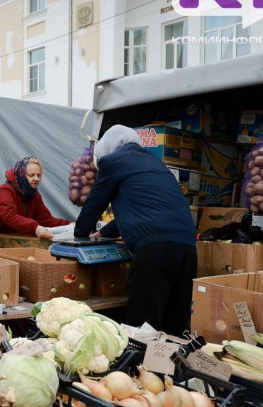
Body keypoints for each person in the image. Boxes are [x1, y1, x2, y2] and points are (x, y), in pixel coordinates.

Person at [74, 125, 197, 336]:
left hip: (155, 250)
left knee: (143, 325)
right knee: (173, 323)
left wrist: (80, 233)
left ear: (108, 146)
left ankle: (140, 367)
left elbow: (95, 202)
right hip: (187, 249)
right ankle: (168, 368)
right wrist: (105, 233)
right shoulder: (156, 163)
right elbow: (146, 207)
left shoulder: (113, 162)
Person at [0, 156, 71, 246]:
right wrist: (35, 228)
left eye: (38, 175)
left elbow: (45, 219)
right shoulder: (4, 191)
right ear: (21, 174)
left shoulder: (34, 195)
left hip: (12, 245)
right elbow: (10, 216)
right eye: (31, 175)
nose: (36, 179)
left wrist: (69, 225)